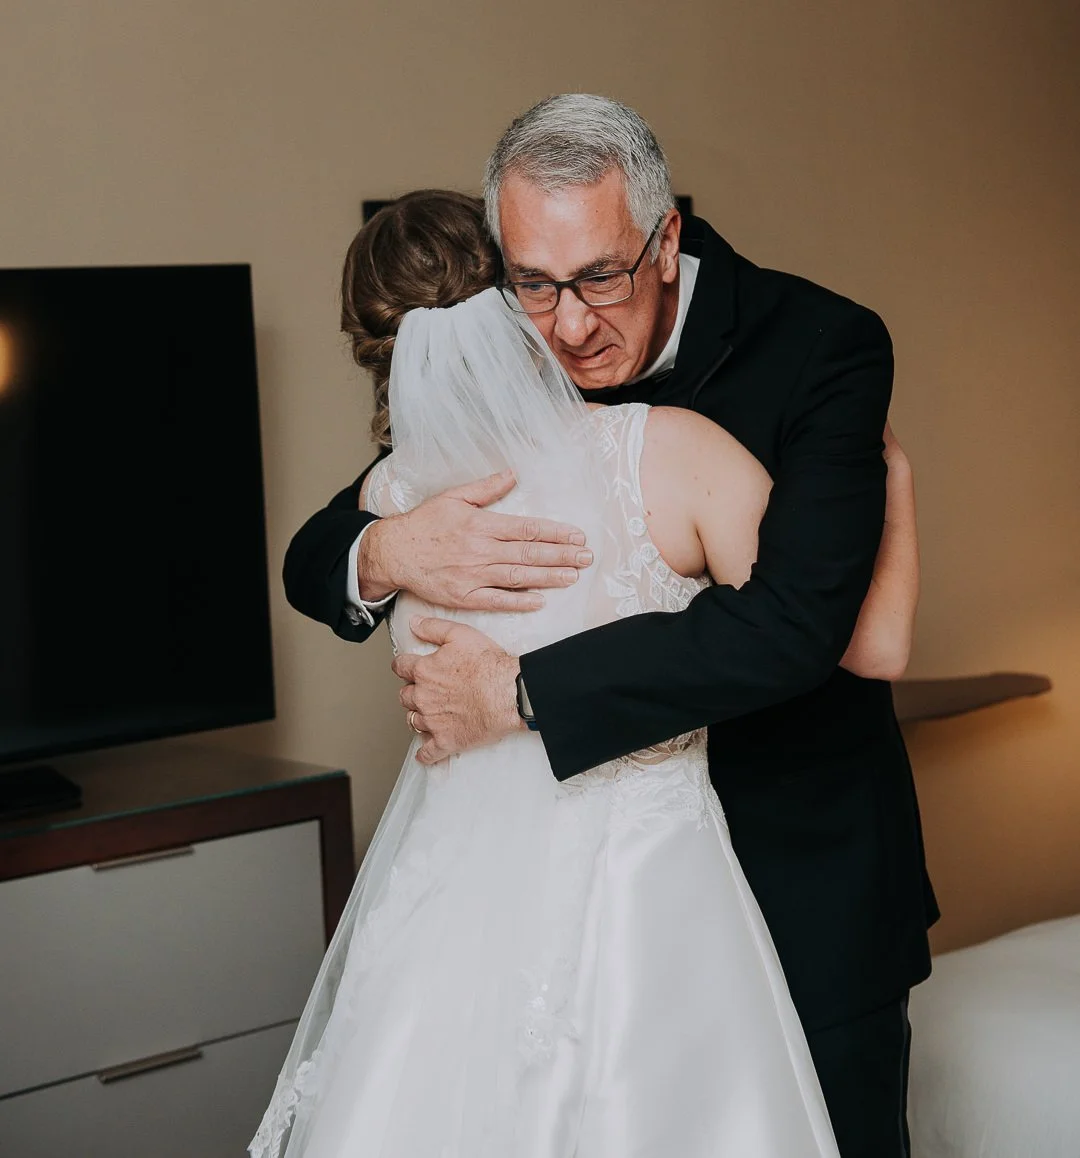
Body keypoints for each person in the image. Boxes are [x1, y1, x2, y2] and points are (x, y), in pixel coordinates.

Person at [284, 96, 937, 1158]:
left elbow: (795, 629)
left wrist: (516, 691)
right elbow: (318, 551)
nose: (571, 324)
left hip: (798, 883)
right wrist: (388, 552)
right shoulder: (512, 356)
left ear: (664, 238)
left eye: (601, 278)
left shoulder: (821, 345)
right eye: (533, 285)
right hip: (537, 917)